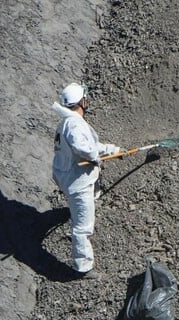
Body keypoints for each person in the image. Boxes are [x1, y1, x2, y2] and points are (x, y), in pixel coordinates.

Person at [51, 82, 122, 279]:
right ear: (81, 101)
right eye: (85, 97)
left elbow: (90, 144)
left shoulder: (67, 120)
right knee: (82, 227)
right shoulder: (73, 124)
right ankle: (82, 267)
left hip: (66, 174)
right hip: (76, 182)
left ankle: (82, 207)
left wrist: (112, 150)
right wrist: (93, 156)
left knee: (87, 199)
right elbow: (83, 147)